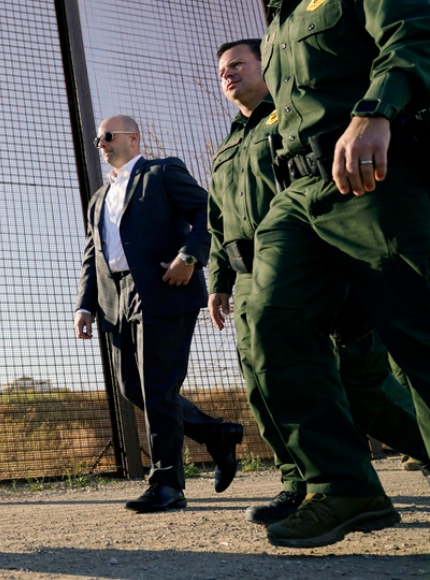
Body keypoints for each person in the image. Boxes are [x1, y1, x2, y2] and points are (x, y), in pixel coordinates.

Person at [207, 39, 430, 527]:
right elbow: (216, 221)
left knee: (365, 382)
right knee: (267, 380)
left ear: (269, 67)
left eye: (238, 64)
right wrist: (218, 279)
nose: (228, 75)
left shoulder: (286, 123)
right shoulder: (226, 147)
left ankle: (419, 447)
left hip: (326, 251)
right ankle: (303, 482)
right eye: (221, 70)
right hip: (257, 268)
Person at [75, 115, 244, 513]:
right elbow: (91, 254)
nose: (101, 143)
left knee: (157, 387)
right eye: (98, 138)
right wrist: (85, 304)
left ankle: (167, 483)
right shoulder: (98, 198)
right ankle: (218, 434)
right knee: (133, 388)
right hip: (114, 298)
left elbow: (208, 211)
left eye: (108, 136)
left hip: (165, 288)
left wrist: (189, 256)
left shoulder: (163, 171)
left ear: (132, 139)